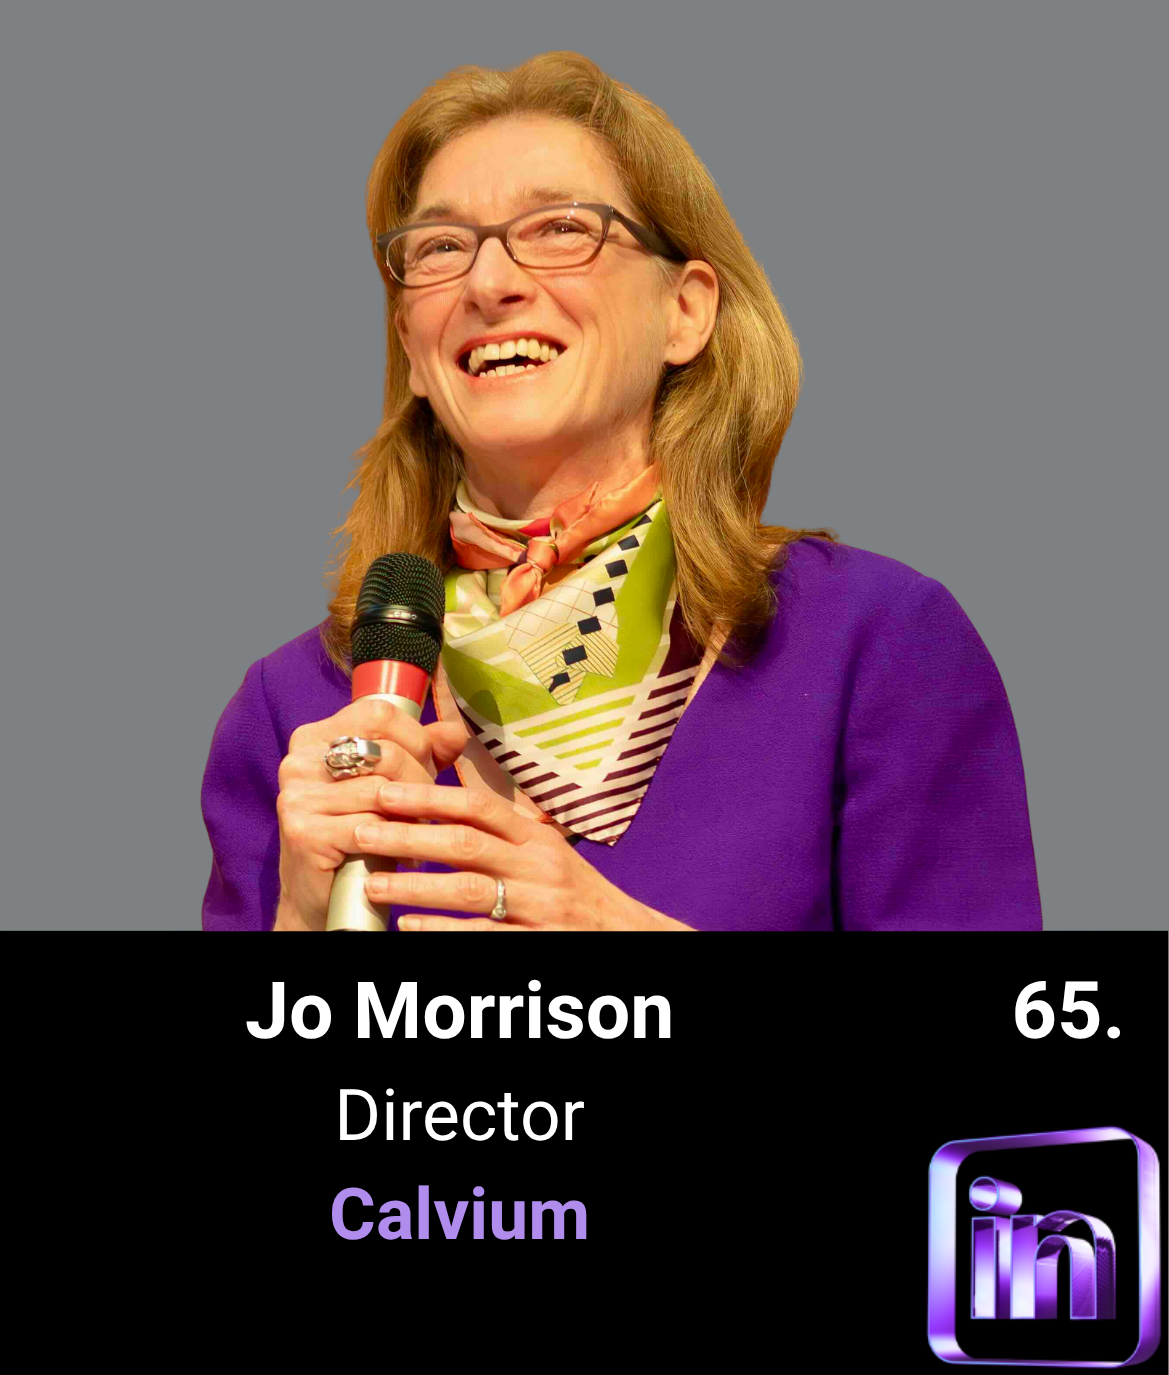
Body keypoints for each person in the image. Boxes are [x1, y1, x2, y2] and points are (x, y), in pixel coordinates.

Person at [201, 51, 1042, 932]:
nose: (488, 284)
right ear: (412, 347)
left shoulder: (872, 643)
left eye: (560, 228)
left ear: (685, 311)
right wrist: (297, 917)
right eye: (441, 248)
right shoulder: (292, 710)